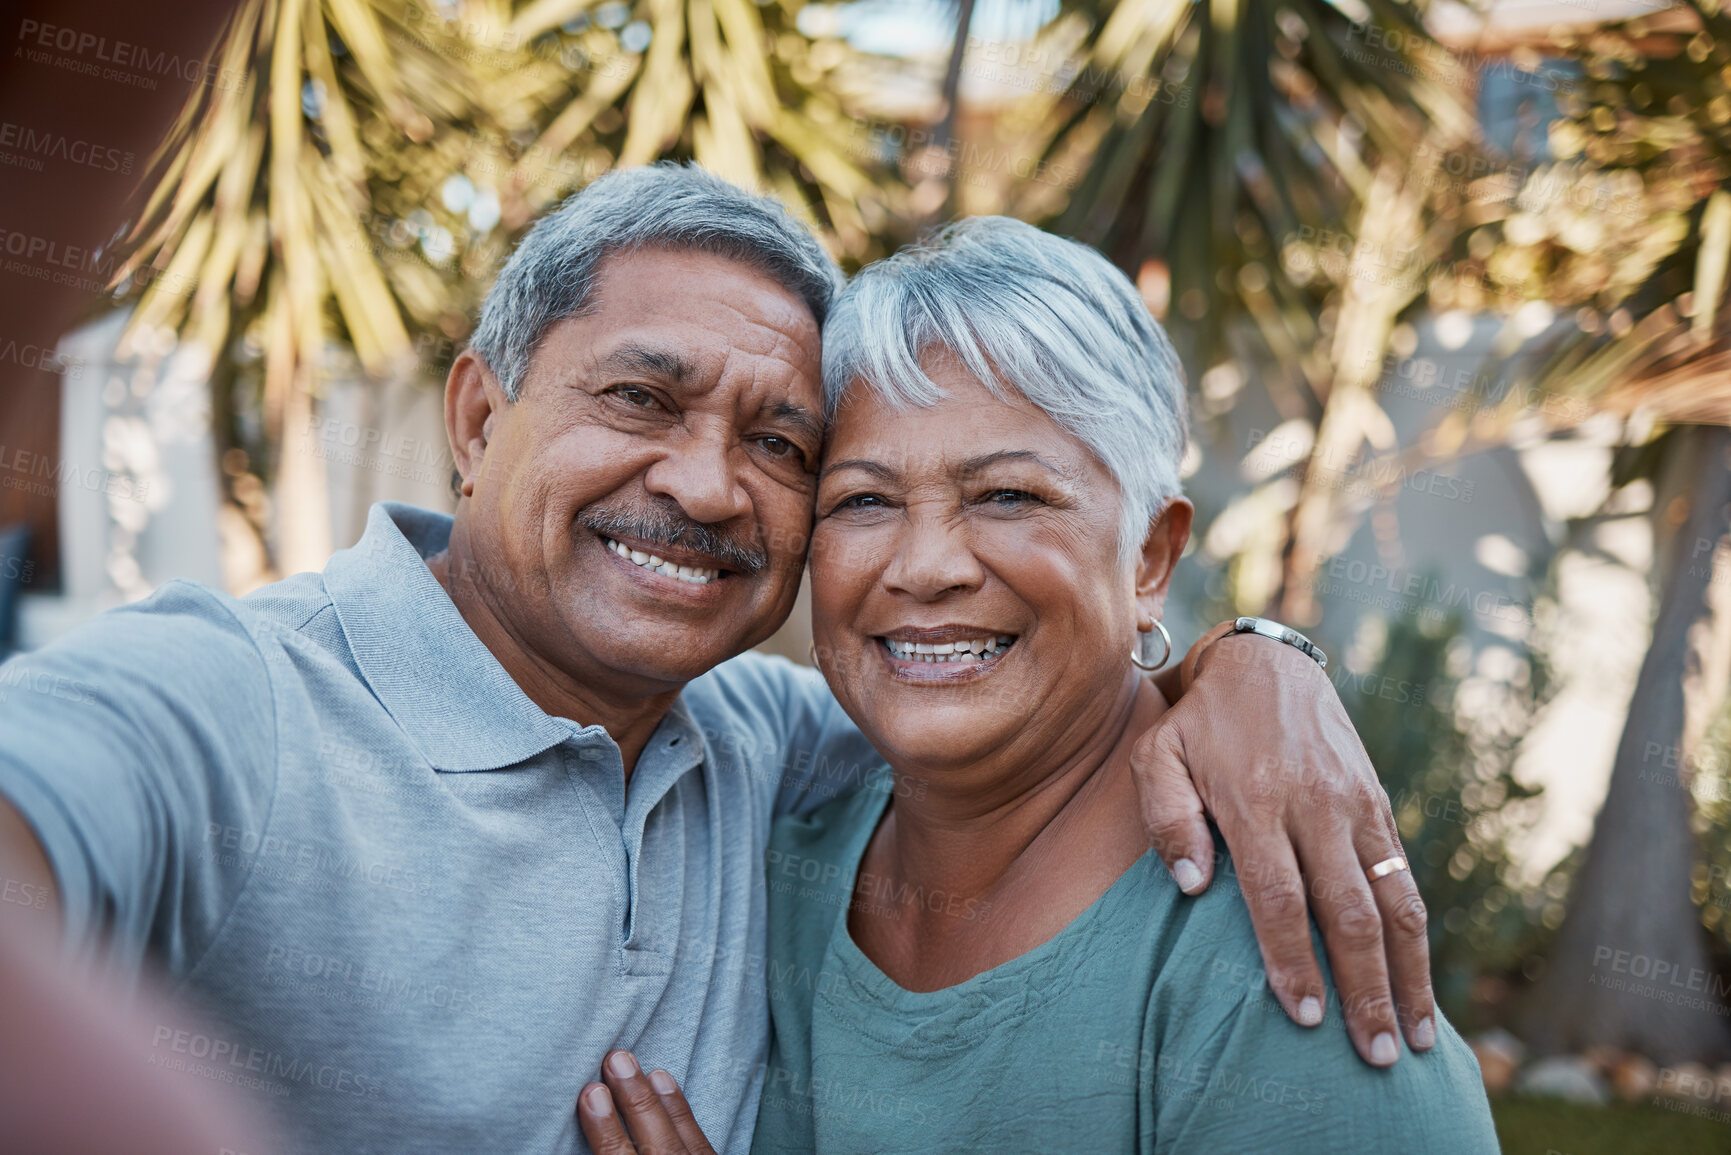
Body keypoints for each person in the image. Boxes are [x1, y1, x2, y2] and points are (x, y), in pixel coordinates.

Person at [0, 167, 1431, 1154]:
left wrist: (1256, 660)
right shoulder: (234, 703)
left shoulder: (768, 751)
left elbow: (1020, 688)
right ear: (480, 415)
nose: (703, 484)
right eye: (640, 396)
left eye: (781, 446)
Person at [583, 217, 1496, 1154]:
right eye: (863, 500)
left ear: (1148, 555)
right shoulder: (773, 853)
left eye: (1007, 495)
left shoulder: (1269, 945)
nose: (925, 565)